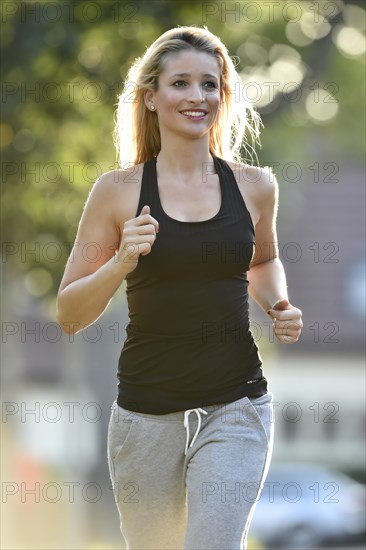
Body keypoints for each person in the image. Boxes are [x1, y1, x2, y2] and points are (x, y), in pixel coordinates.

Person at [56, 25, 303, 550]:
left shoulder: (255, 185)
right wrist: (121, 262)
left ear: (224, 96)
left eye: (210, 85)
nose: (198, 97)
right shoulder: (117, 192)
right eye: (181, 83)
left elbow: (264, 261)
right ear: (151, 97)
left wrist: (278, 303)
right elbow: (70, 313)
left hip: (236, 403)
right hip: (145, 411)